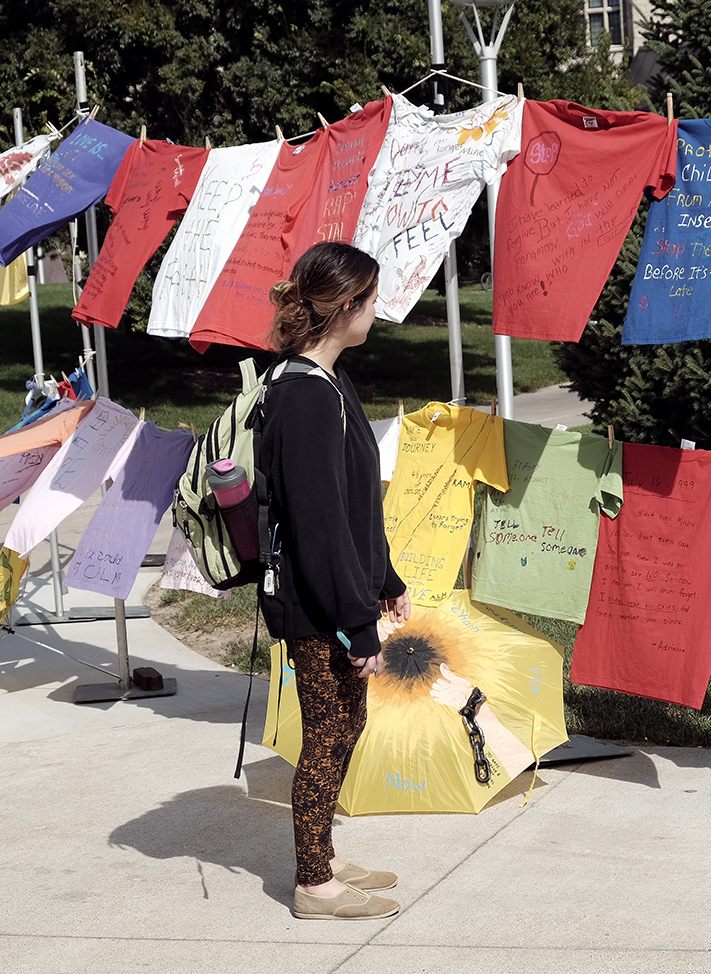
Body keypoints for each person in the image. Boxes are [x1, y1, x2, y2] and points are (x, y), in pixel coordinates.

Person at [259, 241, 411, 921]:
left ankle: (322, 854)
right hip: (315, 603)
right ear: (345, 306)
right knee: (326, 732)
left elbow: (356, 501)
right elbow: (319, 526)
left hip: (340, 593)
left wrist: (386, 577)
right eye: (372, 300)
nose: (377, 312)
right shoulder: (302, 396)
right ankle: (312, 883)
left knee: (347, 723)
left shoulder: (330, 381)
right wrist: (357, 620)